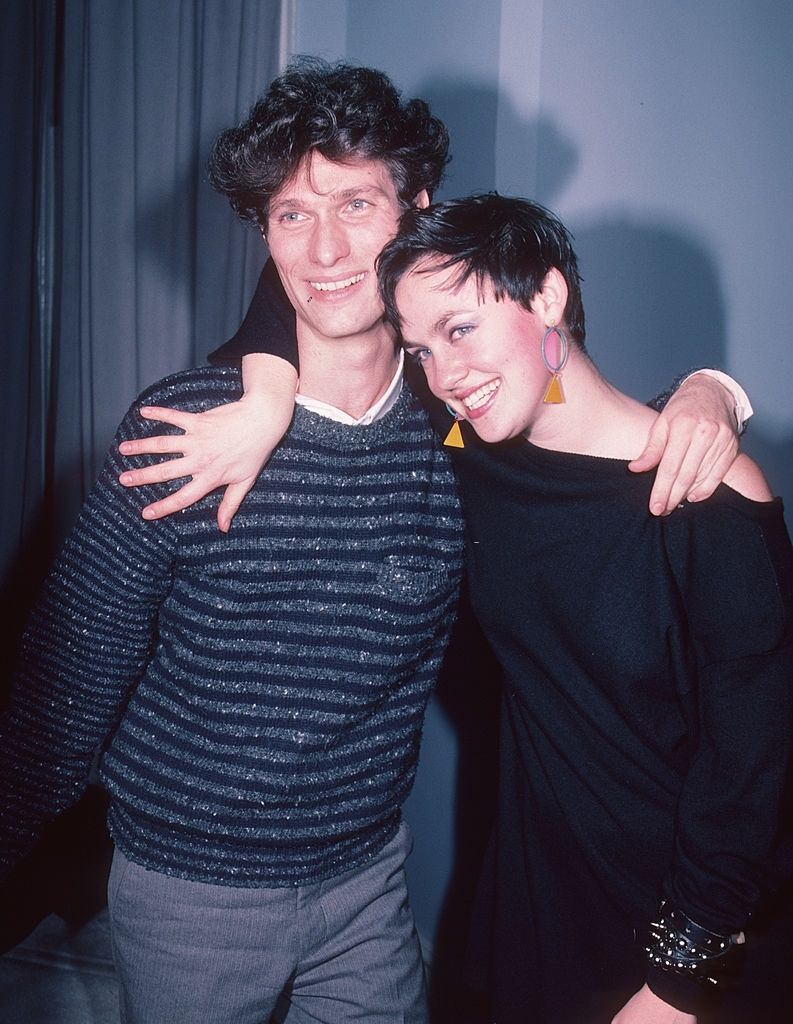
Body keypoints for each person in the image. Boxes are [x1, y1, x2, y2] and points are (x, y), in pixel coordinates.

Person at [0, 59, 466, 1024]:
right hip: (189, 895)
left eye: (357, 204)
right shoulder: (183, 429)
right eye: (292, 214)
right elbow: (70, 668)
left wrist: (705, 393)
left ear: (419, 209)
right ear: (264, 231)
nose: (325, 247)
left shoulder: (457, 426)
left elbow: (569, 409)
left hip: (368, 885)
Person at [373, 193, 793, 1024]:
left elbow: (754, 772)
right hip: (538, 910)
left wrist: (677, 979)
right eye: (420, 349)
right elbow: (319, 296)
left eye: (459, 329)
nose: (445, 377)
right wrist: (262, 392)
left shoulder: (708, 497)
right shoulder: (473, 455)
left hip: (688, 937)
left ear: (547, 299)